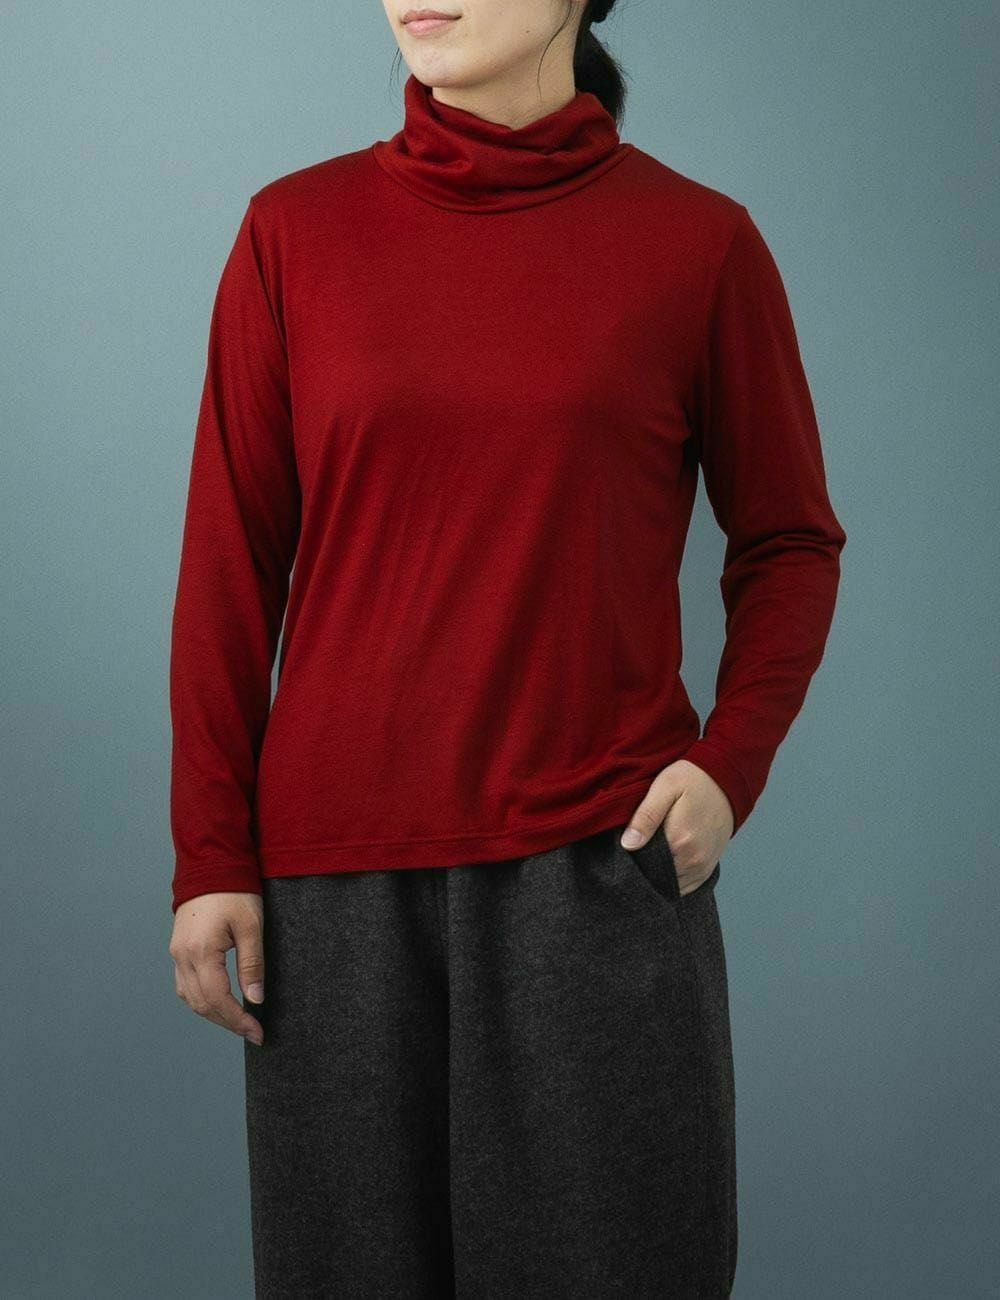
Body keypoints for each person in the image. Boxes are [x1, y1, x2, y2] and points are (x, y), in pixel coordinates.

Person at [166, 1, 847, 1295]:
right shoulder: (291, 233)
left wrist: (729, 767)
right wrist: (210, 853)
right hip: (336, 892)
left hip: (595, 872)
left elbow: (790, 540)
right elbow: (228, 568)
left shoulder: (698, 244)